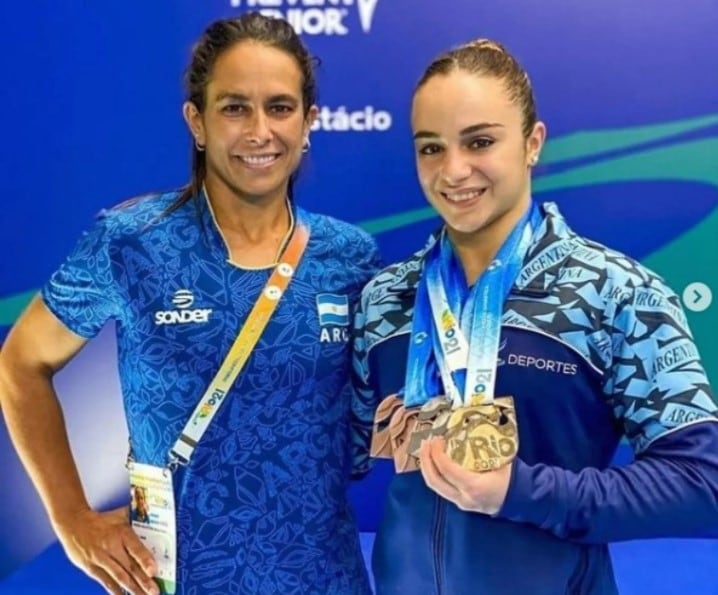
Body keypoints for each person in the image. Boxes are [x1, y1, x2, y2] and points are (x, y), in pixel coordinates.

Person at [0, 13, 380, 595]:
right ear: (197, 123)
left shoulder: (350, 257)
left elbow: (368, 418)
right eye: (234, 108)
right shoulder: (129, 241)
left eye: (279, 107)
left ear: (309, 124)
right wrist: (71, 519)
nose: (260, 131)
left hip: (323, 581)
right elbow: (21, 363)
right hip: (174, 583)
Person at [352, 39, 718, 594]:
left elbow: (701, 482)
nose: (454, 171)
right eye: (431, 148)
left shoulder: (614, 293)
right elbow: (333, 457)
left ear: (532, 143)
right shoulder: (385, 299)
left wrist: (518, 491)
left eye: (479, 141)